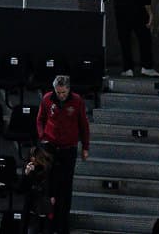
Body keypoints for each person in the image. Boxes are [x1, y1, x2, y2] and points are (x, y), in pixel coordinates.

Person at [33, 74, 90, 234]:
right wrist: (42, 136)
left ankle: (62, 225)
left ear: (69, 89)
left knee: (65, 188)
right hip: (50, 147)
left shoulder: (77, 101)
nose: (61, 95)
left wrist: (85, 146)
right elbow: (40, 119)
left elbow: (83, 124)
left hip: (68, 149)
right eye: (58, 92)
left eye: (64, 92)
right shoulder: (47, 99)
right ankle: (48, 225)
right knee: (48, 186)